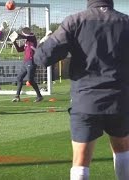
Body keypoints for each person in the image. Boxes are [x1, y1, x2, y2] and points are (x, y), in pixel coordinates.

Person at [34, 0, 129, 179]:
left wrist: (43, 42)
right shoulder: (125, 21)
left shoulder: (74, 21)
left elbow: (43, 58)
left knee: (81, 160)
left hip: (86, 100)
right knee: (123, 150)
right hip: (120, 99)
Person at [10, 27, 43, 102]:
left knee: (30, 80)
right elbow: (19, 50)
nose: (22, 34)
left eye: (22, 33)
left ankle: (39, 96)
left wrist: (16, 34)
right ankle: (17, 96)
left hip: (31, 61)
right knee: (19, 78)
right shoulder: (26, 42)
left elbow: (25, 36)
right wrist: (14, 41)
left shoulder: (32, 38)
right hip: (25, 62)